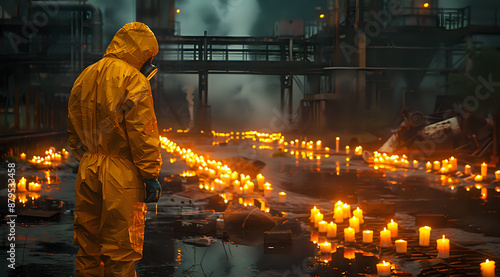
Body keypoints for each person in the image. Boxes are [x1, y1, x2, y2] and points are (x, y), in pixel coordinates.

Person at [68, 22, 162, 276]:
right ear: (142, 52)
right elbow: (142, 132)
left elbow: (73, 127)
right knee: (121, 251)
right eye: (150, 57)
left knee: (88, 247)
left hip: (88, 169)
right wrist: (150, 175)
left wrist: (88, 156)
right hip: (122, 175)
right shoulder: (135, 81)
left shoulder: (86, 75)